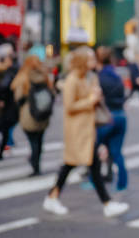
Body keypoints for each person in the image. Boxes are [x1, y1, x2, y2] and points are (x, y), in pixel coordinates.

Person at [42, 47, 129, 217]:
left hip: (89, 129)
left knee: (85, 165)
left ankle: (105, 203)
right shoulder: (73, 79)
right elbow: (69, 106)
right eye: (89, 59)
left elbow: (94, 100)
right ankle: (105, 203)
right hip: (77, 129)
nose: (93, 62)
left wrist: (96, 96)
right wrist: (90, 100)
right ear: (82, 61)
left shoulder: (91, 77)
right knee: (74, 164)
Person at [11, 55, 54, 176]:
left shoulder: (23, 76)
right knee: (39, 141)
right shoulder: (45, 76)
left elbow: (18, 97)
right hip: (43, 113)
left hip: (28, 113)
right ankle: (37, 163)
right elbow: (52, 93)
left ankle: (35, 166)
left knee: (33, 141)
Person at [95, 46, 128, 191]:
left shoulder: (99, 77)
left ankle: (94, 181)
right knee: (116, 152)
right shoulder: (117, 75)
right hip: (121, 115)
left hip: (107, 117)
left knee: (93, 149)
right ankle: (122, 183)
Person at [0, 44, 19, 160]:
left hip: (5, 103)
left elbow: (3, 86)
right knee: (4, 126)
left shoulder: (9, 70)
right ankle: (4, 145)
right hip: (7, 103)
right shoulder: (9, 70)